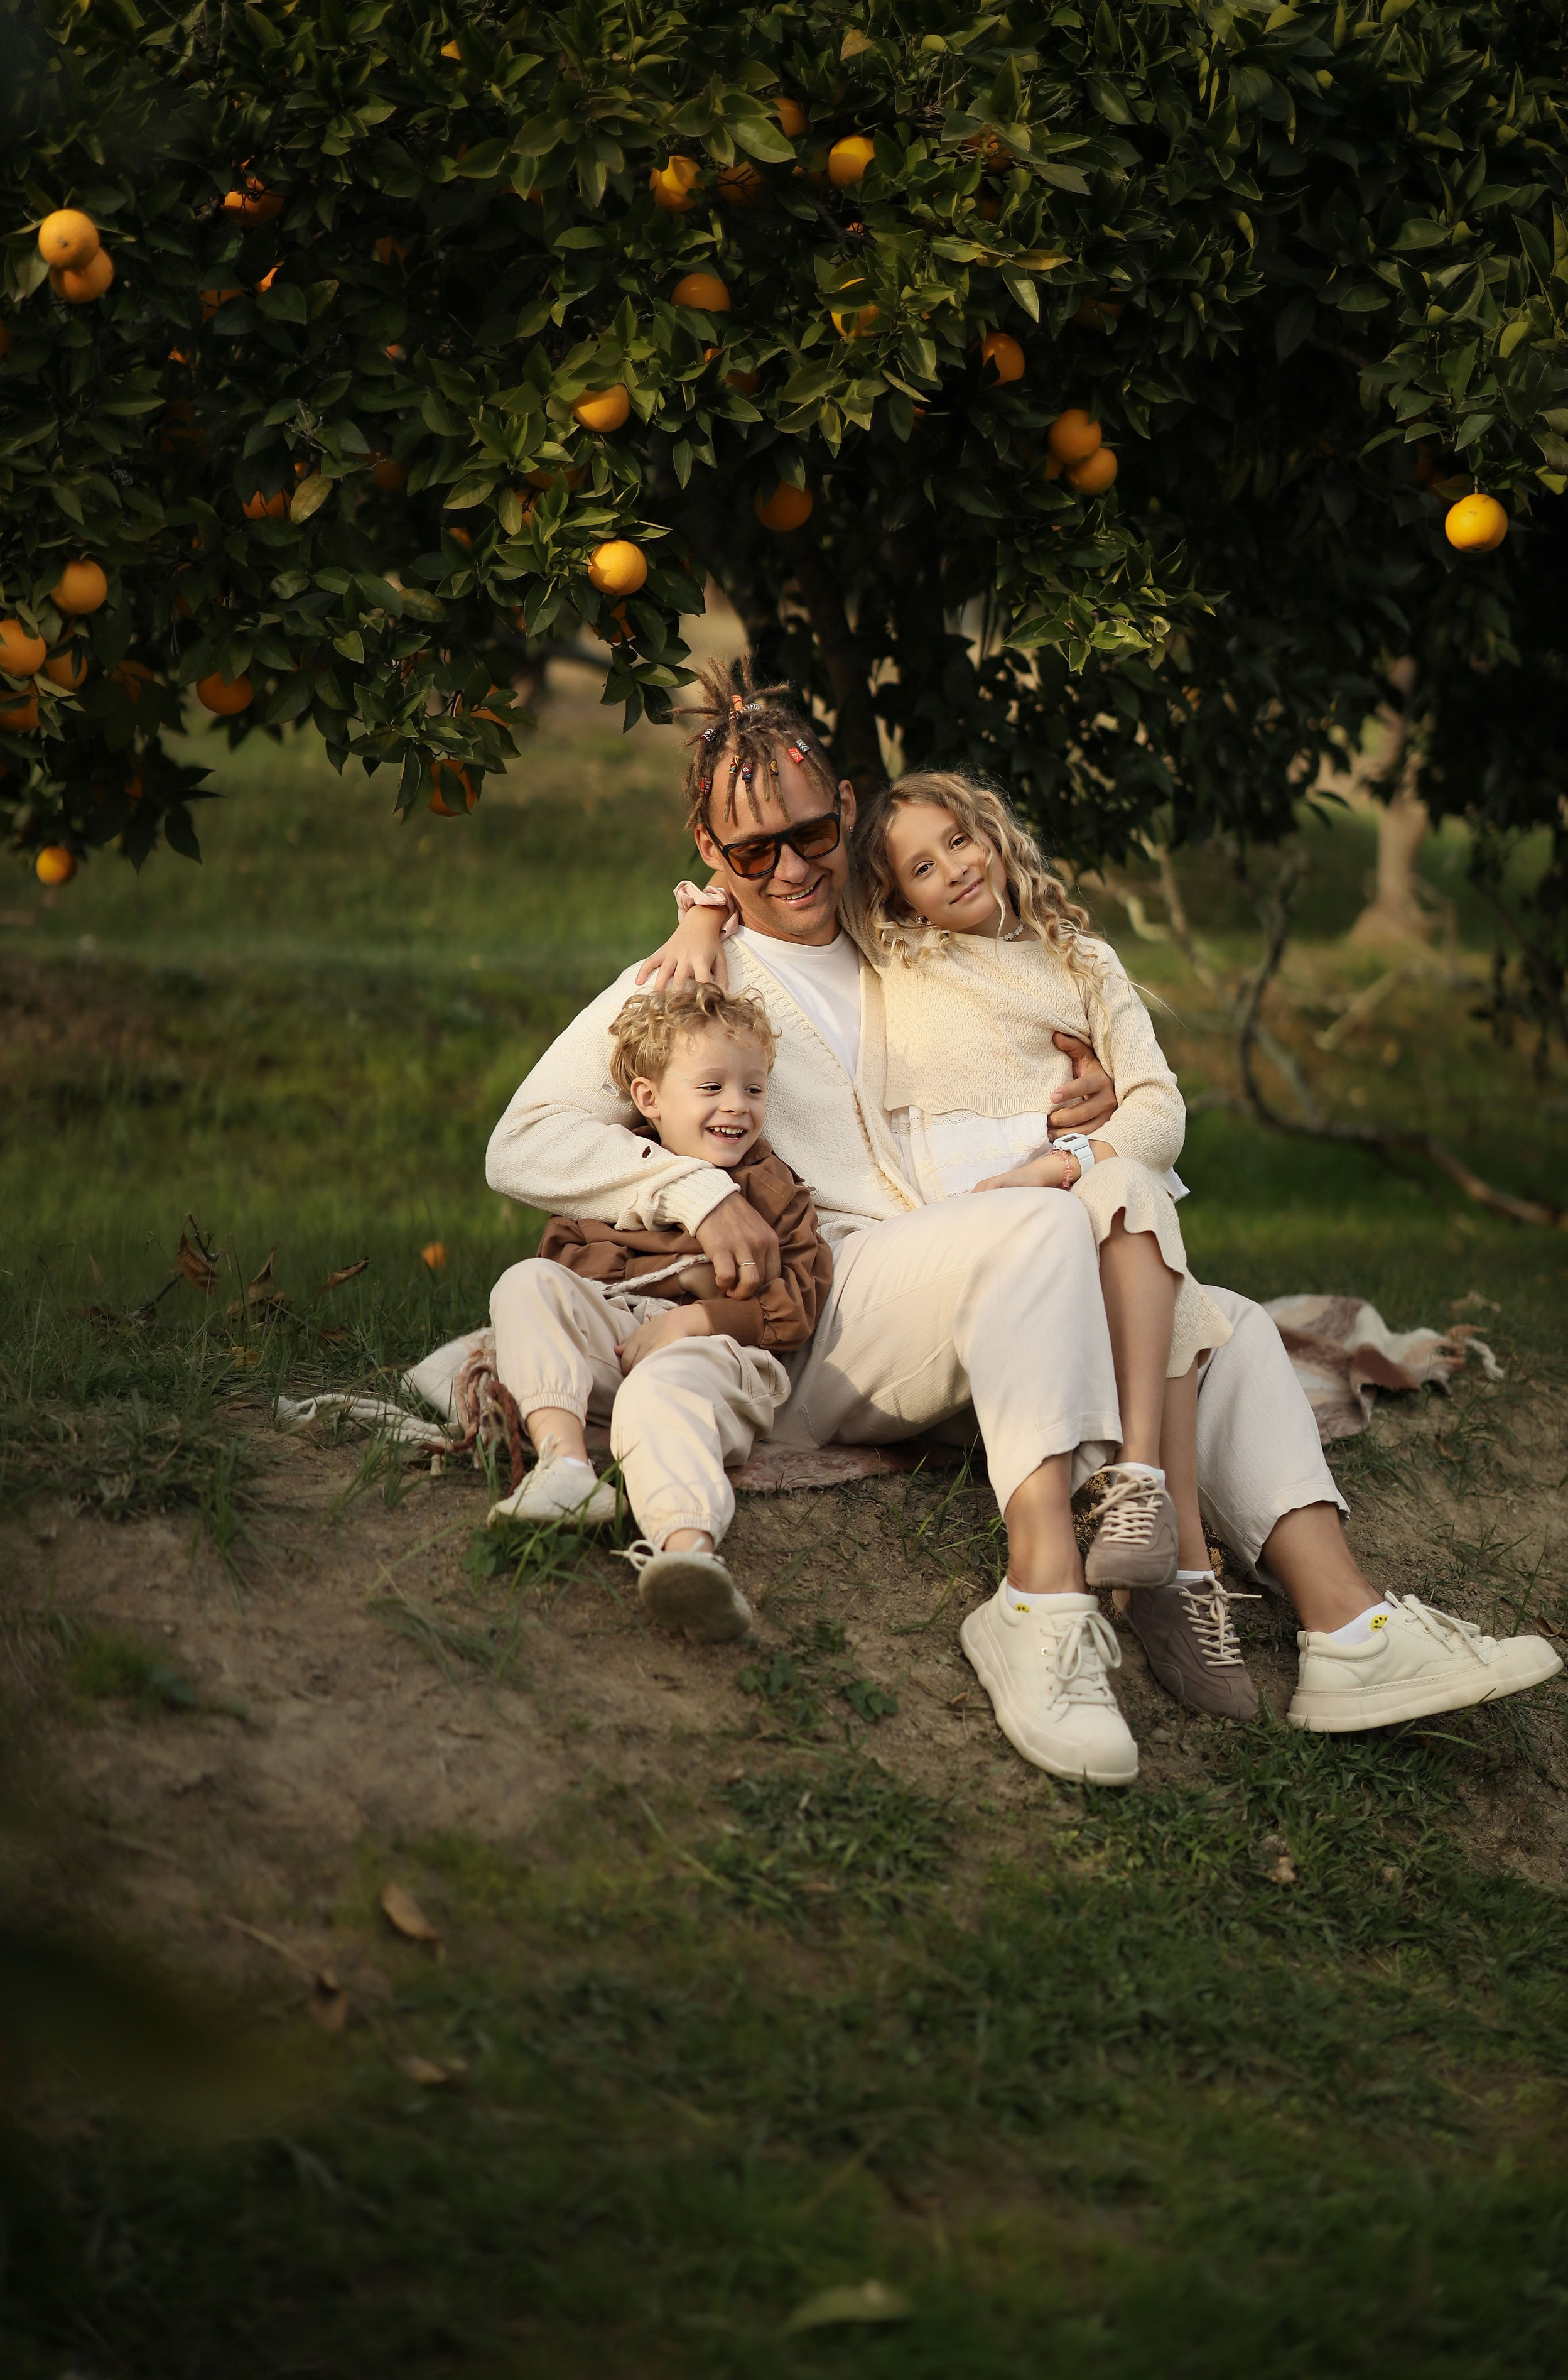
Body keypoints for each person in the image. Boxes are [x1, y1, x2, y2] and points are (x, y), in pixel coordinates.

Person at [485, 660, 1560, 1783]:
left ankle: (1351, 1631)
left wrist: (1080, 1101)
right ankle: (1040, 1604)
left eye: (810, 835)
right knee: (1045, 1229)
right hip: (822, 1319)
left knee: (1223, 1324)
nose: (792, 870)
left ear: (847, 809)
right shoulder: (686, 981)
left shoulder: (905, 931)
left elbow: (1028, 1005)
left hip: (982, 1297)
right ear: (710, 856)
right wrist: (695, 1189)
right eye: (750, 855)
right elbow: (522, 1141)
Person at [671, 767, 1238, 1700]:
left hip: (1074, 1178)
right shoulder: (900, 945)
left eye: (959, 843)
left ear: (994, 831)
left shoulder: (1086, 960)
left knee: (1184, 1271)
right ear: (898, 895)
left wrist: (1080, 1155)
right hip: (973, 1219)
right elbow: (779, 888)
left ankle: (1178, 1532)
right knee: (1125, 1252)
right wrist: (700, 917)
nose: (952, 872)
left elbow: (1157, 1104)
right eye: (922, 867)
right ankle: (1149, 1563)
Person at [488, 982, 831, 1646]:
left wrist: (697, 1318)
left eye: (753, 1090)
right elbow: (566, 1266)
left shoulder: (775, 1192)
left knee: (661, 1384)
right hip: (619, 1338)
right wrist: (660, 1276)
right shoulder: (620, 1173)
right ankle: (563, 1468)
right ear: (649, 1099)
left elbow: (793, 1307)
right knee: (526, 1281)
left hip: (719, 1360)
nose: (737, 1105)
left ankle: (687, 1551)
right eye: (712, 1088)